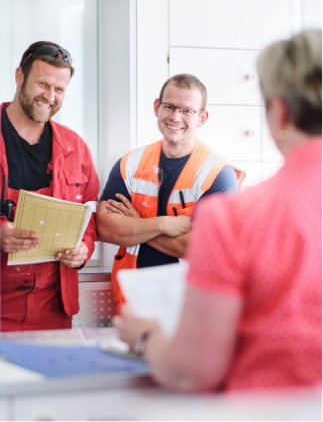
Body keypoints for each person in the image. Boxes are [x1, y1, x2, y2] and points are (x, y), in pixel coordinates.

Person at [113, 29, 322, 392]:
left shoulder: (236, 216)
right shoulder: (132, 162)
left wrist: (145, 337)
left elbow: (192, 371)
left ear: (281, 112)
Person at [97, 74, 245, 311]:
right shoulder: (130, 163)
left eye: (187, 110)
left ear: (202, 118)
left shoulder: (217, 174)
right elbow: (104, 228)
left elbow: (203, 249)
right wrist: (163, 224)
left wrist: (137, 224)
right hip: (132, 306)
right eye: (169, 106)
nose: (176, 117)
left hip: (189, 313)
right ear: (157, 107)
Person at [0, 41, 100, 332]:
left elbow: (90, 215)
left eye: (59, 89)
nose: (50, 96)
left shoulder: (76, 148)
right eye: (42, 84)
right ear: (20, 77)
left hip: (52, 309)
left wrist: (84, 248)